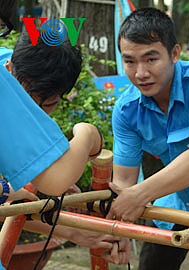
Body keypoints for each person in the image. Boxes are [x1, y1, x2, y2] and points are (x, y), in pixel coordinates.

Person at [104, 8, 189, 270]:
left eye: (151, 59)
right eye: (130, 61)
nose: (140, 73)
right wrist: (120, 232)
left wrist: (139, 194)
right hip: (173, 206)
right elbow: (124, 185)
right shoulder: (126, 110)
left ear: (174, 53)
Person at [0, 30, 130, 265]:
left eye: (48, 105)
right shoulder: (5, 87)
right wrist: (87, 134)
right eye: (28, 100)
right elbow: (55, 181)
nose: (37, 112)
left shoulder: (14, 73)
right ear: (9, 69)